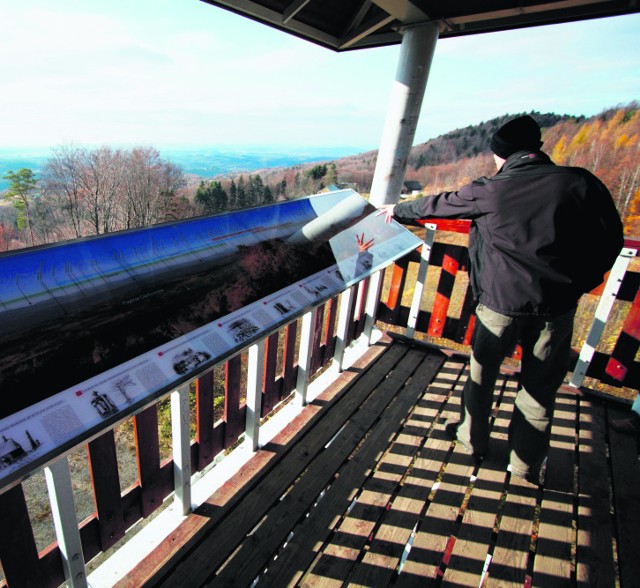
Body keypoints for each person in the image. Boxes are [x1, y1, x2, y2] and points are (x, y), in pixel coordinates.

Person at [378, 115, 624, 483]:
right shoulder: (579, 183)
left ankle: (472, 441)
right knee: (539, 390)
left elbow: (439, 204)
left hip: (500, 306)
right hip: (556, 308)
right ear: (537, 148)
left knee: (481, 377)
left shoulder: (492, 189)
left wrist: (396, 211)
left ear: (501, 154)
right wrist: (580, 283)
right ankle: (525, 466)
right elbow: (612, 240)